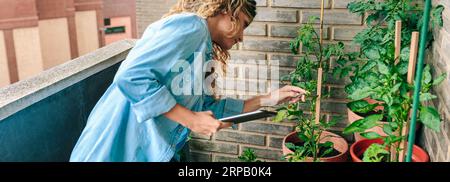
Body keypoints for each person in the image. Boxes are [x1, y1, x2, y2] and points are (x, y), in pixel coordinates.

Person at [70, 0, 306, 162]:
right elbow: (131, 75)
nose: (242, 37)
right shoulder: (191, 27)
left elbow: (205, 110)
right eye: (243, 24)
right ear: (227, 10)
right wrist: (191, 120)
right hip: (114, 147)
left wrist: (270, 98)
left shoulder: (202, 46)